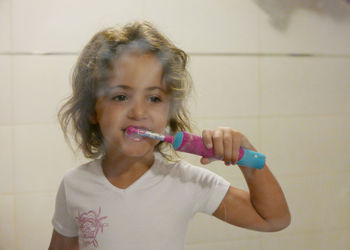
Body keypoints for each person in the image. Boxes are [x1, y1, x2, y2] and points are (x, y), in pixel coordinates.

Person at [48, 21, 290, 250]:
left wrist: (245, 155)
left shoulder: (185, 181)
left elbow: (273, 219)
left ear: (169, 112)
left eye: (154, 98)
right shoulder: (74, 185)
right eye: (120, 96)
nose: (139, 112)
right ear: (92, 110)